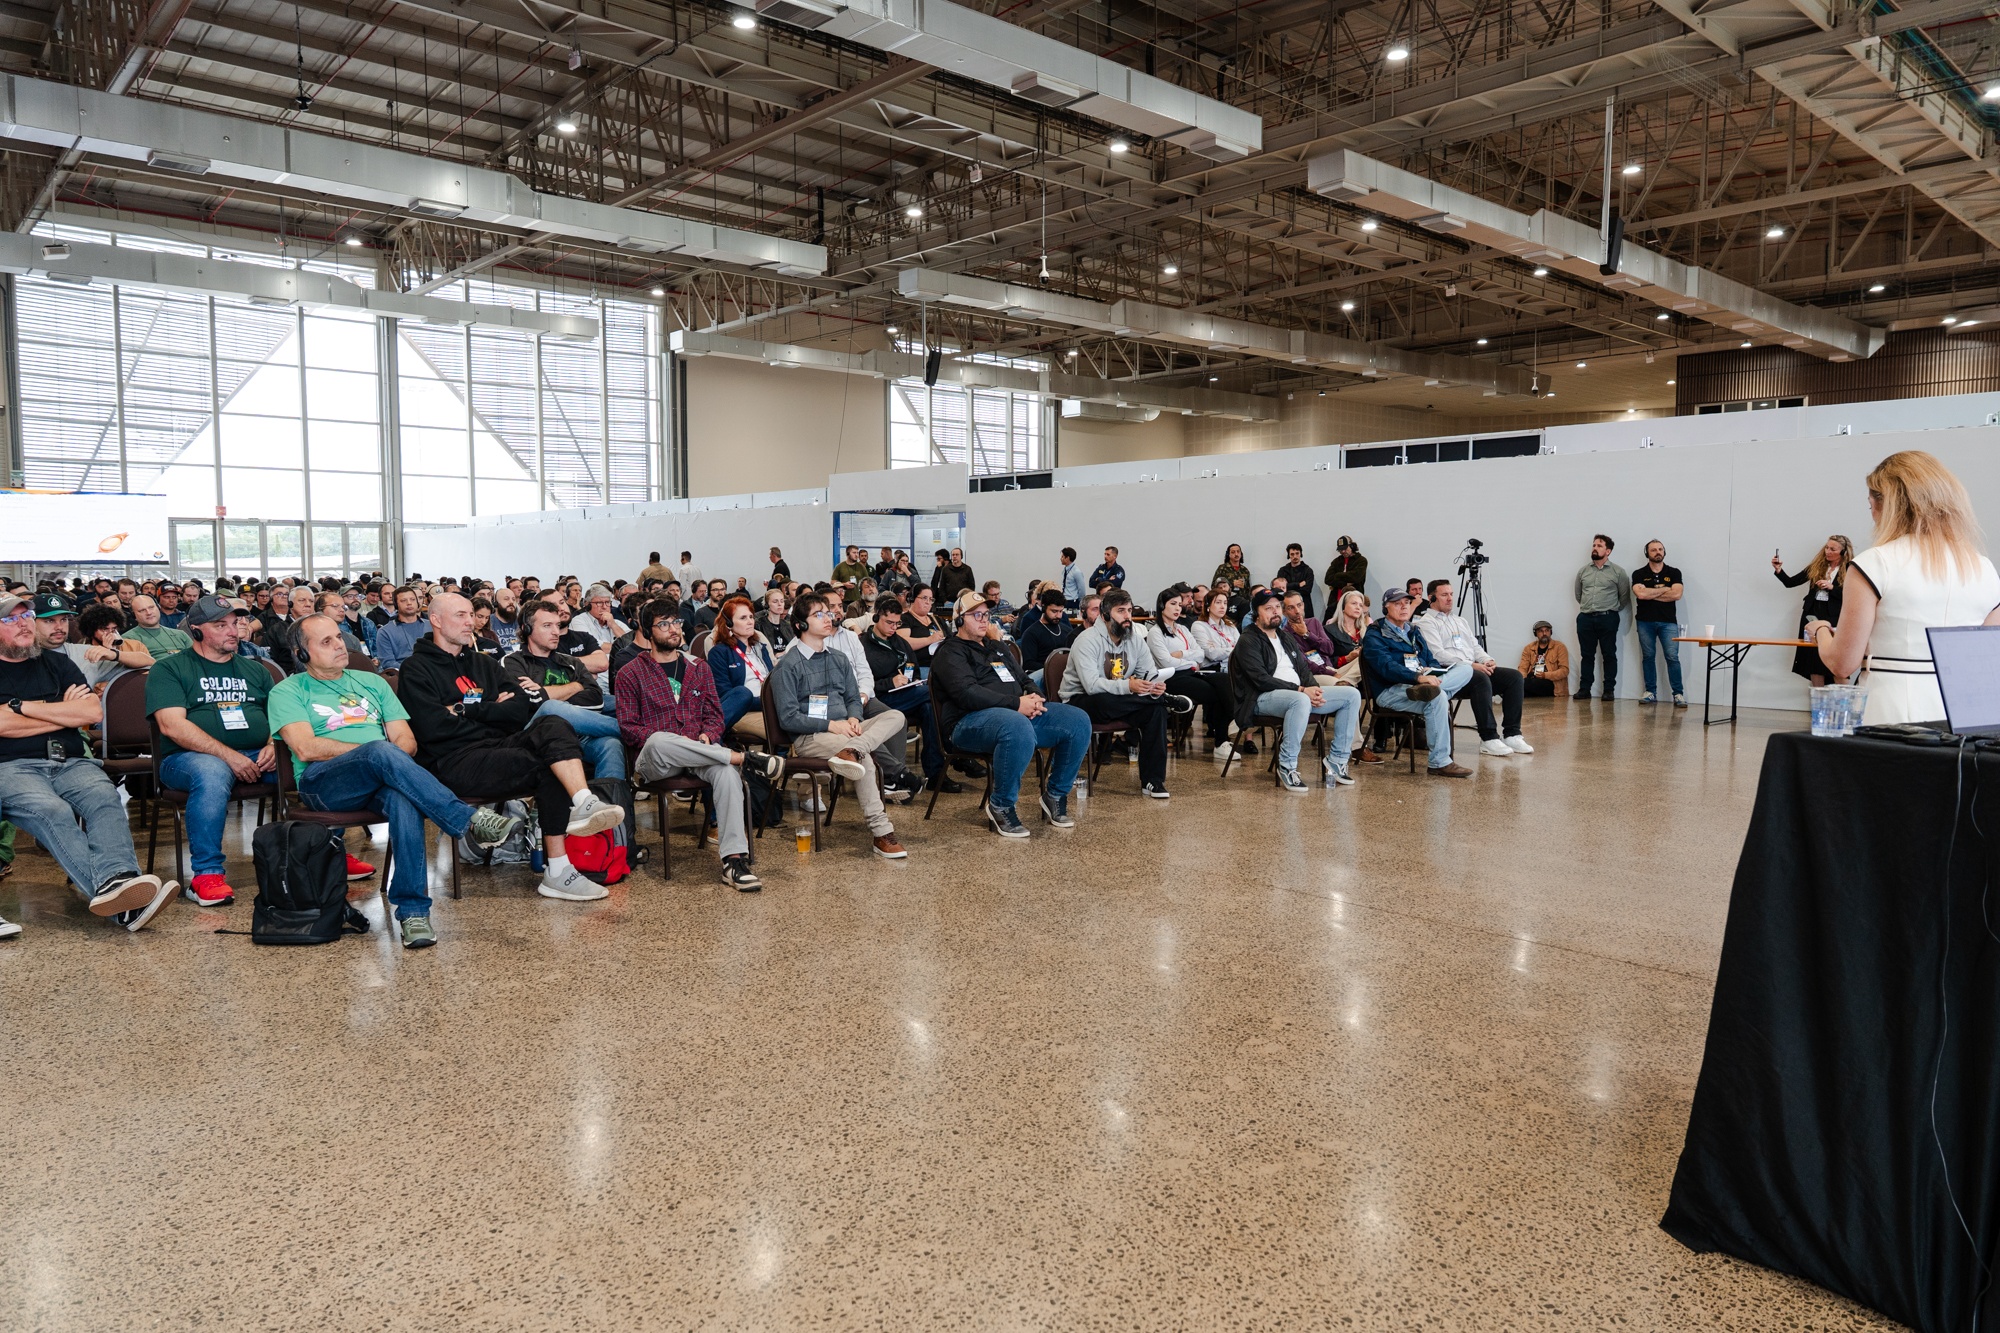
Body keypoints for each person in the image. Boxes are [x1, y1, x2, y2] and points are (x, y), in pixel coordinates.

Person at [272, 614, 520, 949]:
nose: (340, 646)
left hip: (381, 778)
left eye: (339, 637)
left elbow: (407, 742)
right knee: (379, 750)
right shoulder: (287, 690)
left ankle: (414, 913)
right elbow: (306, 747)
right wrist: (374, 754)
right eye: (326, 641)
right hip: (325, 784)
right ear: (301, 653)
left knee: (404, 799)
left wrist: (384, 758)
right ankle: (468, 819)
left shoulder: (372, 683)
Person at [400, 593, 628, 902]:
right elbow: (433, 728)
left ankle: (583, 802)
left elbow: (520, 710)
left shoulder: (483, 662)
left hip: (496, 745)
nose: (470, 622)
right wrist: (492, 709)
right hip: (453, 760)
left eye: (471, 614)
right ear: (436, 620)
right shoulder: (415, 668)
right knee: (547, 765)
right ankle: (558, 870)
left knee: (553, 723)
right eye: (460, 615)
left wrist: (465, 710)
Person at [0, 592, 175, 937]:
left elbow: (90, 711)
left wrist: (20, 708)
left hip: (69, 760)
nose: (23, 624)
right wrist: (60, 713)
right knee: (52, 811)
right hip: (12, 765)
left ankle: (118, 883)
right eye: (10, 619)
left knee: (104, 798)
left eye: (25, 616)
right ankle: (120, 898)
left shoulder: (57, 663)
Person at [1804, 451, 2000, 724]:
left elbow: (1842, 663)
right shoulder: (1984, 568)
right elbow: (1985, 658)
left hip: (1892, 704)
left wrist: (1821, 630)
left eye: (1871, 505)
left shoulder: (1875, 563)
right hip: (1964, 710)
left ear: (1887, 506)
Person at [148, 595, 305, 907]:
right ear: (196, 630)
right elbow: (171, 726)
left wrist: (273, 743)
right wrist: (228, 756)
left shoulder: (256, 670)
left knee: (308, 760)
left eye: (235, 623)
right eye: (221, 625)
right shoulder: (169, 668)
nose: (233, 631)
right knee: (212, 770)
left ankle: (329, 850)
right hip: (185, 759)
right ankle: (206, 875)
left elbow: (283, 715)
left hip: (257, 754)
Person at [617, 601, 784, 892]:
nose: (673, 629)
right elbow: (629, 728)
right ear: (647, 631)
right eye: (663, 624)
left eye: (676, 622)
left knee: (726, 773)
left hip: (699, 753)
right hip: (656, 761)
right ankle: (742, 757)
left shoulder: (698, 667)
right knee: (659, 739)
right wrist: (679, 741)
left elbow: (715, 715)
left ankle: (734, 861)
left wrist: (709, 733)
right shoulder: (630, 673)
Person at [931, 589, 1091, 838]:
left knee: (1078, 720)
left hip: (1015, 715)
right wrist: (1016, 704)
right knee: (1016, 725)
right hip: (968, 723)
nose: (984, 620)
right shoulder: (950, 651)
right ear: (959, 620)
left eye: (986, 615)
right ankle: (1001, 804)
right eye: (976, 615)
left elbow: (1024, 679)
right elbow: (967, 693)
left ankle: (1056, 794)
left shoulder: (997, 647)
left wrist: (1035, 698)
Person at [768, 592, 908, 859]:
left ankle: (852, 749)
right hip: (812, 736)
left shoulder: (839, 658)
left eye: (828, 613)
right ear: (800, 624)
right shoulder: (788, 665)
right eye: (818, 614)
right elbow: (788, 718)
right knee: (863, 759)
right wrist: (832, 725)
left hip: (848, 729)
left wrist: (854, 717)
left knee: (896, 717)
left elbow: (854, 698)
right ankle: (881, 833)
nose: (828, 618)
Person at [1059, 589, 1187, 799]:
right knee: (1105, 700)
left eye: (1129, 610)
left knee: (1156, 711)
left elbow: (1149, 673)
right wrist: (1130, 687)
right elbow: (1091, 685)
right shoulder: (1086, 640)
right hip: (1080, 701)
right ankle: (1166, 701)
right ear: (1105, 615)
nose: (1128, 616)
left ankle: (1153, 781)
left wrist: (1154, 687)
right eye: (1121, 611)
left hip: (1121, 701)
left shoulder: (1134, 639)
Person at [1229, 590, 1361, 792]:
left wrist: (1314, 689)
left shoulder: (1285, 637)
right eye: (1268, 608)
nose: (1275, 612)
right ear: (1256, 613)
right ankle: (1287, 765)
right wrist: (1301, 690)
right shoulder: (1248, 640)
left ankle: (1337, 760)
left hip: (1296, 694)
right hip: (1260, 698)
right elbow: (1260, 679)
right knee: (1300, 700)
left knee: (1351, 695)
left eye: (1277, 607)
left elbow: (1303, 668)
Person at [501, 600, 627, 780]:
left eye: (557, 625)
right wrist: (576, 686)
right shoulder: (512, 662)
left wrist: (545, 692)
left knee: (611, 745)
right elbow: (531, 700)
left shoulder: (571, 662)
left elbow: (596, 700)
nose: (556, 632)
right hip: (536, 734)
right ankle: (631, 730)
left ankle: (609, 799)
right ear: (526, 629)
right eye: (547, 625)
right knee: (550, 708)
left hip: (580, 734)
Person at [1363, 587, 1474, 778]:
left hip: (1421, 683)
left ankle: (1429, 689)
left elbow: (1430, 658)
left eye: (1407, 603)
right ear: (1386, 607)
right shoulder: (1375, 634)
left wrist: (1432, 671)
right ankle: (1439, 763)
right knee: (1438, 698)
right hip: (1391, 689)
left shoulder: (1413, 630)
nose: (1404, 607)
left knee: (1466, 668)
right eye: (1398, 604)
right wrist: (1417, 678)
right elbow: (1386, 667)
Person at [1417, 581, 1532, 756]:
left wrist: (1487, 660)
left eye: (1451, 594)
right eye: (1444, 595)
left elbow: (1475, 646)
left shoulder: (1460, 620)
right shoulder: (1426, 622)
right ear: (1431, 598)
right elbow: (1437, 654)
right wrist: (1470, 665)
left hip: (1473, 667)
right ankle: (1488, 738)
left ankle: (1512, 734)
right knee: (1480, 678)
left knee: (1514, 677)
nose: (1450, 598)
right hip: (1450, 673)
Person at [859, 597, 953, 794]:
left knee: (929, 708)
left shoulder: (900, 642)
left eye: (897, 623)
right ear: (876, 618)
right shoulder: (863, 645)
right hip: (879, 699)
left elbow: (915, 669)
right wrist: (890, 682)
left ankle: (935, 774)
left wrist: (912, 680)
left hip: (907, 694)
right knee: (931, 692)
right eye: (889, 622)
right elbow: (862, 683)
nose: (894, 628)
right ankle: (954, 751)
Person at [1147, 587, 1229, 749]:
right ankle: (1221, 741)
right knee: (1218, 694)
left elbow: (1200, 654)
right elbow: (1166, 662)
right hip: (1171, 678)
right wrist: (1190, 662)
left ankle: (1227, 732)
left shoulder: (1182, 629)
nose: (1177, 608)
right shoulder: (1155, 633)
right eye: (1173, 604)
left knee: (1225, 681)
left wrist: (1181, 654)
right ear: (1162, 606)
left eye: (1179, 604)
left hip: (1191, 673)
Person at [1773, 536, 1853, 685]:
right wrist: (1778, 570)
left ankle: (1844, 699)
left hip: (1834, 617)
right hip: (1812, 615)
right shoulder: (1817, 566)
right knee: (1813, 660)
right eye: (1827, 548)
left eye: (1833, 549)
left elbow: (1853, 595)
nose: (1827, 551)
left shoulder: (1850, 569)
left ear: (1843, 552)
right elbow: (1790, 582)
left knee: (1836, 660)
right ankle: (1818, 699)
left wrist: (1832, 588)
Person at [705, 596, 778, 740]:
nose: (750, 621)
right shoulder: (720, 652)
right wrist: (766, 701)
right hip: (742, 711)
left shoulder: (760, 647)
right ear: (729, 624)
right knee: (743, 693)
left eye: (751, 617)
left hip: (770, 707)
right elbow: (727, 695)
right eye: (743, 618)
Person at [1573, 534, 1629, 701]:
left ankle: (1609, 689)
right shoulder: (1583, 571)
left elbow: (1624, 597)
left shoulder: (1618, 572)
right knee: (1586, 655)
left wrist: (1610, 610)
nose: (1595, 548)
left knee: (1609, 654)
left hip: (1607, 618)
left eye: (1599, 546)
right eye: (1594, 545)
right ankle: (1585, 689)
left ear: (1608, 551)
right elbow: (1578, 595)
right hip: (1585, 618)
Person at [1631, 540, 1687, 706]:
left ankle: (1678, 694)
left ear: (1664, 551)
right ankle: (1650, 692)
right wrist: (1665, 589)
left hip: (1668, 622)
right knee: (1648, 657)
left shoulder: (1674, 572)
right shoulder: (1638, 574)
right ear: (1647, 553)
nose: (1658, 552)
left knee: (1672, 657)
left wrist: (1650, 592)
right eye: (1653, 550)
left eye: (1660, 549)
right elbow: (1641, 595)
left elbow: (1676, 595)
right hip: (1644, 622)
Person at [66, 603, 153, 691]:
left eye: (114, 629)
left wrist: (113, 653)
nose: (110, 633)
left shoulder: (134, 645)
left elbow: (150, 669)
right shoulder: (85, 653)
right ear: (91, 631)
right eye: (104, 629)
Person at [1015, 588, 1078, 688]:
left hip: (1066, 674)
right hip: (1042, 674)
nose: (1058, 616)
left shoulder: (1066, 630)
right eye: (1054, 611)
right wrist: (1053, 668)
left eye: (1061, 611)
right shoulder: (1031, 633)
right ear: (1044, 608)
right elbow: (1028, 664)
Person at [373, 586, 430, 672]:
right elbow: (388, 663)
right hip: (404, 674)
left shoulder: (431, 626)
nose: (409, 603)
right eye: (403, 600)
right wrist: (415, 671)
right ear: (396, 604)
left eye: (412, 599)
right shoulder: (385, 632)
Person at [126, 593, 192, 659]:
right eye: (142, 610)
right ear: (134, 615)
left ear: (158, 607)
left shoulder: (181, 634)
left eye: (151, 607)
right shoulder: (129, 638)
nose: (149, 613)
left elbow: (196, 658)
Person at [899, 586, 947, 672]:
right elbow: (902, 643)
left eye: (931, 599)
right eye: (924, 598)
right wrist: (929, 640)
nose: (928, 602)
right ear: (912, 599)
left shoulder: (937, 620)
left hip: (941, 665)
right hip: (919, 667)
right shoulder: (905, 619)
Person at [1518, 621, 1570, 698]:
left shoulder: (1559, 647)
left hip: (1551, 683)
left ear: (1551, 632)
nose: (1544, 633)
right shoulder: (1528, 648)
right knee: (1519, 687)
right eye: (1541, 631)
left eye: (1547, 630)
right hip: (1532, 680)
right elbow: (1522, 668)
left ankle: (1513, 690)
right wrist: (1522, 679)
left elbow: (1564, 671)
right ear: (1536, 634)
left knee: (1518, 686)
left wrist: (1545, 675)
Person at [1323, 537, 1368, 608]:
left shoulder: (1361, 561)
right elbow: (1328, 579)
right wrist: (1346, 584)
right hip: (1335, 602)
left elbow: (1356, 577)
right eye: (1340, 550)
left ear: (1352, 546)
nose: (1343, 551)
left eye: (1345, 548)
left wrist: (1337, 575)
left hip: (1354, 602)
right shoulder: (1336, 561)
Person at [1276, 543, 1317, 618]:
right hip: (1287, 606)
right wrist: (1298, 585)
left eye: (1297, 553)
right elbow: (1279, 589)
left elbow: (1307, 590)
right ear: (1289, 555)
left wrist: (1288, 587)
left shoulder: (1308, 570)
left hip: (1304, 606)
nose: (1295, 556)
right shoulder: (1283, 571)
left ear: (1301, 554)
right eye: (1292, 554)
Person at [489, 585, 524, 655]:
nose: (511, 602)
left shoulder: (520, 621)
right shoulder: (489, 621)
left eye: (513, 599)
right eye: (506, 599)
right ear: (496, 603)